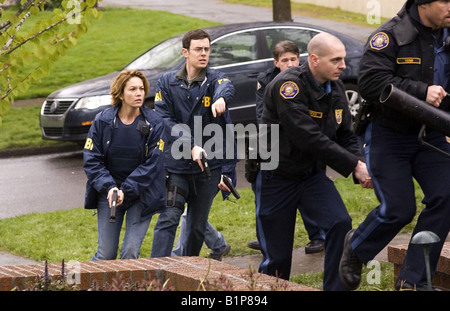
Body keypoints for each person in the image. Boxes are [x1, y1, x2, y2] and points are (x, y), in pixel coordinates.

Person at [339, 0, 450, 291]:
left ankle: (413, 282)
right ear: (423, 4)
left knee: (446, 197)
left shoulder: (446, 34)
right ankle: (357, 246)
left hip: (432, 135)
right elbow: (371, 83)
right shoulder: (389, 36)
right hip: (390, 136)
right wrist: (421, 91)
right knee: (399, 209)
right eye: (446, 1)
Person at [256, 32, 372, 291]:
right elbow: (308, 137)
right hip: (277, 178)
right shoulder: (288, 87)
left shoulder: (337, 86)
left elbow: (346, 135)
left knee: (340, 224)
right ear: (315, 60)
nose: (343, 65)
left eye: (343, 59)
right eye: (336, 60)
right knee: (278, 258)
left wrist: (361, 164)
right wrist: (353, 166)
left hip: (311, 176)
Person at [151, 29, 236, 258]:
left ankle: (187, 271)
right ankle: (155, 273)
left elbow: (226, 85)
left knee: (197, 228)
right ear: (185, 52)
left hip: (207, 170)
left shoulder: (215, 78)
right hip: (177, 166)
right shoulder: (167, 82)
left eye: (207, 49)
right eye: (198, 49)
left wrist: (220, 98)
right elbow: (164, 120)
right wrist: (190, 145)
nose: (204, 53)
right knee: (169, 217)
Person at [247, 40, 325, 255]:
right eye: (285, 60)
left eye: (293, 59)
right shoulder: (265, 80)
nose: (290, 63)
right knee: (261, 188)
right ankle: (267, 236)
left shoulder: (307, 79)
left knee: (305, 188)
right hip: (273, 140)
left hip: (302, 141)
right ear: (276, 62)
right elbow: (262, 112)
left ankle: (317, 235)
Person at [83, 69, 166, 260]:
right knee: (106, 255)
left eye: (141, 89)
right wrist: (110, 187)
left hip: (141, 193)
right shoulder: (102, 121)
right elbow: (91, 159)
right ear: (120, 93)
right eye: (132, 89)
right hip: (110, 193)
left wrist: (126, 190)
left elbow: (153, 164)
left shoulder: (155, 123)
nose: (139, 93)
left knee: (130, 252)